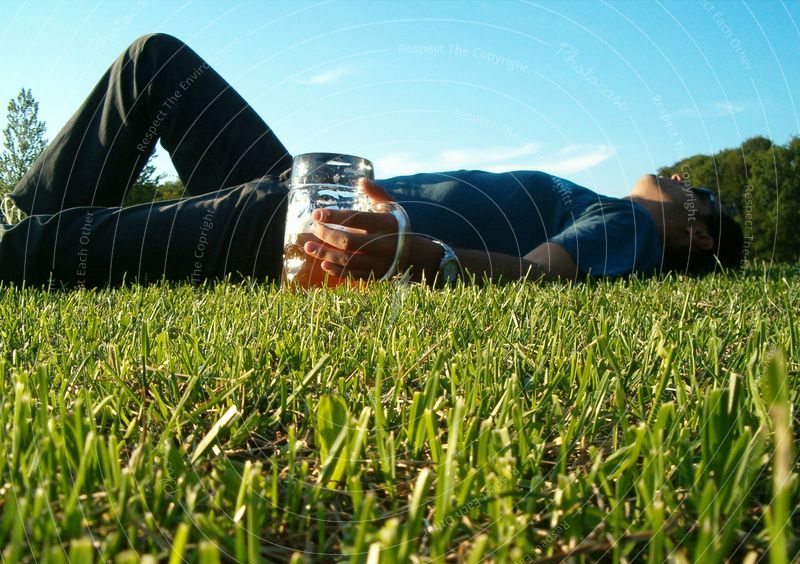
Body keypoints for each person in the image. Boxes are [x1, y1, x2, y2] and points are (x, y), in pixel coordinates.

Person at [0, 33, 744, 289]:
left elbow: (544, 276)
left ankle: (19, 238)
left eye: (695, 193)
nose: (678, 180)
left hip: (315, 237)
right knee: (154, 65)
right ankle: (23, 205)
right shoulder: (607, 205)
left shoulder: (631, 224)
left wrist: (419, 256)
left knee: (65, 250)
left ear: (699, 234)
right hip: (298, 191)